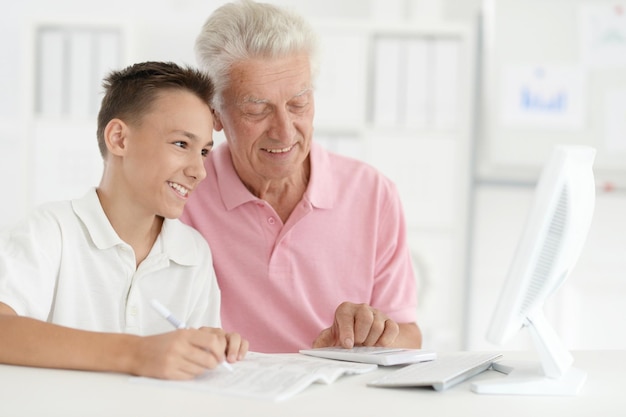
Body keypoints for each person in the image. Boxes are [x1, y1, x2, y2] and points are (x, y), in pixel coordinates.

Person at [182, 0, 422, 353]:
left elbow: (409, 335)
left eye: (298, 104)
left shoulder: (372, 193)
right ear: (215, 114)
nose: (284, 132)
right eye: (256, 109)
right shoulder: (184, 194)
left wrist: (375, 334)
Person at [0, 61, 248, 379]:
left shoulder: (193, 252)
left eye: (203, 152)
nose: (198, 171)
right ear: (119, 139)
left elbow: (196, 368)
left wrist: (213, 349)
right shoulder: (51, 231)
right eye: (181, 144)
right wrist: (137, 353)